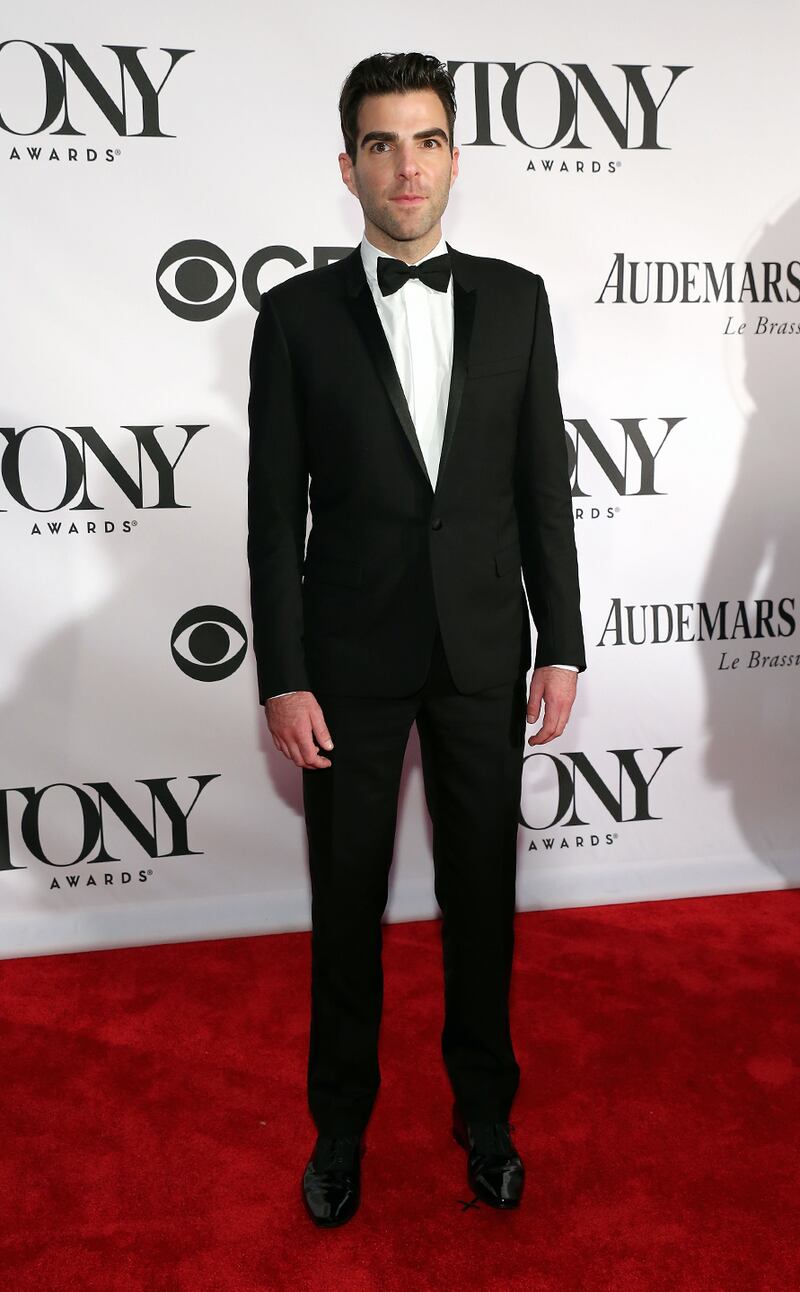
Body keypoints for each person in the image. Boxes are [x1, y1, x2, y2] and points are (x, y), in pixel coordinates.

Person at [247, 51, 586, 1228]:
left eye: (427, 139)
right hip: (344, 667)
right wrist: (281, 675)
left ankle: (483, 1116)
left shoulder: (519, 298)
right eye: (382, 143)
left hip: (484, 653)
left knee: (481, 901)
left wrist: (563, 642)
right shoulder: (292, 319)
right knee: (346, 909)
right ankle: (338, 1128)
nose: (406, 165)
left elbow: (544, 486)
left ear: (454, 155)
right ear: (348, 166)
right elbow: (267, 512)